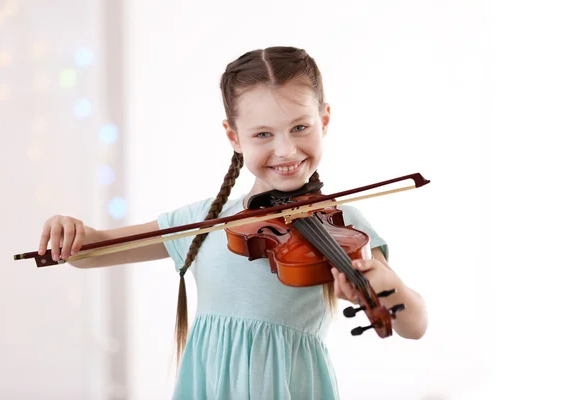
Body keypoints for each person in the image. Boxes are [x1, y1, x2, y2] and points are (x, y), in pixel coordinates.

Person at [37, 46, 428, 399]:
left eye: (300, 127)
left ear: (324, 120)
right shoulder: (205, 220)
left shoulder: (342, 223)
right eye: (262, 134)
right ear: (234, 136)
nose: (285, 150)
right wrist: (71, 232)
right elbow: (92, 251)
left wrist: (385, 286)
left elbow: (414, 324)